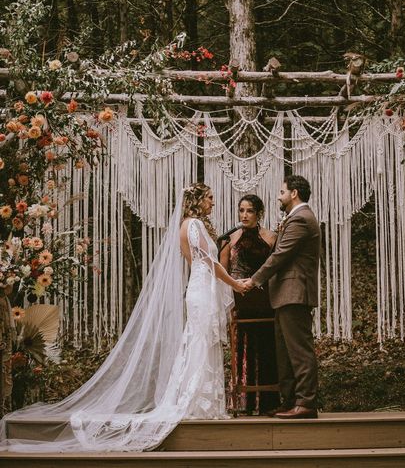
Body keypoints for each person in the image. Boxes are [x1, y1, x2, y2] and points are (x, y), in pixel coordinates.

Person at [1, 183, 246, 453]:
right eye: (210, 198)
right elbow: (206, 262)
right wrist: (235, 284)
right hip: (202, 289)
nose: (213, 203)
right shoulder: (195, 225)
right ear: (198, 201)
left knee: (200, 343)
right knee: (200, 344)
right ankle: (198, 404)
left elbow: (196, 263)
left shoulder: (185, 225)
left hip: (199, 288)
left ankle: (203, 403)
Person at [242, 175, 320, 419]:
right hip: (285, 295)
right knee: (284, 352)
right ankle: (289, 401)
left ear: (294, 193)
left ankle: (306, 402)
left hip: (294, 293)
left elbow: (280, 256)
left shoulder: (302, 219)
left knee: (299, 350)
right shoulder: (295, 219)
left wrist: (254, 280)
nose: (279, 196)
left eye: (282, 191)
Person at [219, 194, 279, 414]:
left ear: (259, 213)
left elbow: (277, 269)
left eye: (249, 211)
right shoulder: (230, 239)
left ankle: (268, 403)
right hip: (241, 299)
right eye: (241, 210)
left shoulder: (272, 238)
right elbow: (222, 273)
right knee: (242, 346)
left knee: (267, 347)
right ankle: (244, 402)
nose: (244, 215)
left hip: (266, 299)